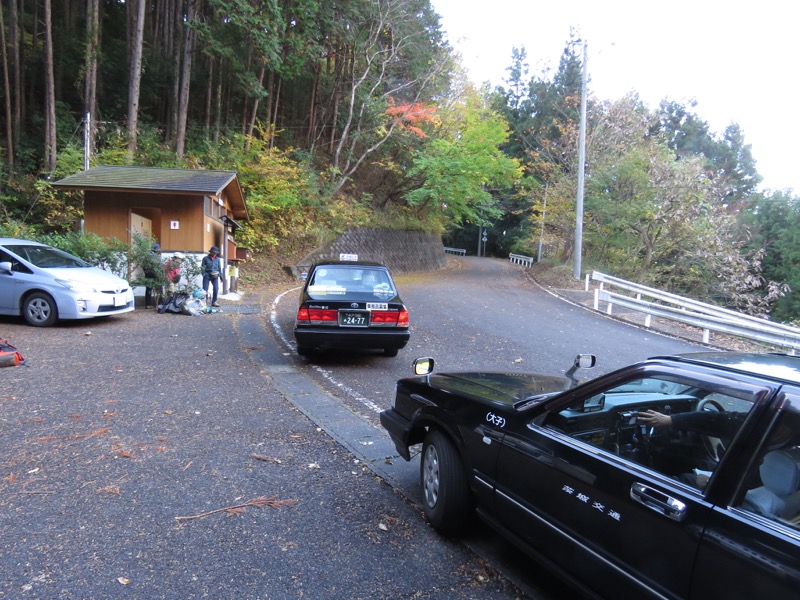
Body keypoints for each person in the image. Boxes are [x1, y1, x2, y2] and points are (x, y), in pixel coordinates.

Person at [142, 243, 162, 309]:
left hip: (147, 274)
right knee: (159, 288)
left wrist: (146, 272)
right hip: (155, 274)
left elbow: (143, 265)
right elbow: (159, 266)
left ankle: (148, 304)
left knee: (148, 289)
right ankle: (159, 303)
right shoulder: (157, 256)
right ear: (157, 250)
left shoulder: (146, 256)